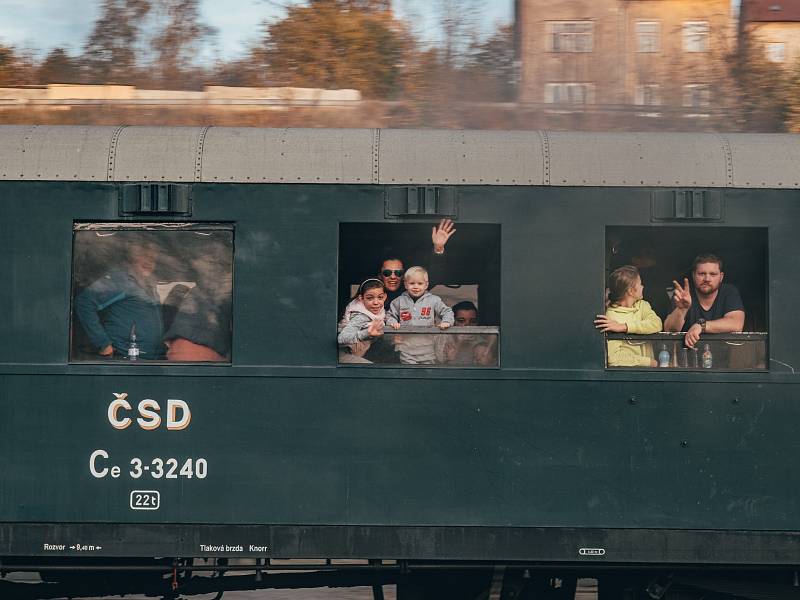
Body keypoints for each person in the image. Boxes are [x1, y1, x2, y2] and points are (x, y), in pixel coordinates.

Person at [75, 240, 165, 359]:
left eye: (153, 259)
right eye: (145, 256)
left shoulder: (150, 287)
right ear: (133, 257)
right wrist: (103, 344)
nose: (149, 262)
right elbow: (84, 302)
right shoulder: (120, 280)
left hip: (149, 361)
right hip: (125, 359)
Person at [664, 254, 745, 349]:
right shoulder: (684, 295)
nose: (707, 279)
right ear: (693, 275)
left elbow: (736, 323)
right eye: (702, 274)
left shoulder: (729, 292)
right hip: (687, 356)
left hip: (722, 355)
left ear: (721, 277)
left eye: (713, 274)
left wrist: (701, 326)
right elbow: (669, 330)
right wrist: (682, 309)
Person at [594, 265, 662, 367]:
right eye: (640, 284)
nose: (643, 286)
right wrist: (648, 362)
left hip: (649, 375)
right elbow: (613, 359)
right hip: (628, 376)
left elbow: (657, 324)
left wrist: (625, 327)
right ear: (631, 291)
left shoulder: (642, 306)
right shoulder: (611, 316)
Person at [378, 218, 456, 306]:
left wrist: (438, 248)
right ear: (380, 276)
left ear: (403, 276)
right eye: (387, 273)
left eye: (398, 273)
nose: (393, 276)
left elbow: (433, 277)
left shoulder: (412, 291)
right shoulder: (370, 291)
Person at [387, 266, 454, 364]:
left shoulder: (433, 300)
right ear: (405, 284)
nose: (416, 287)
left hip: (428, 349)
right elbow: (389, 315)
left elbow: (447, 312)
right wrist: (392, 322)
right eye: (412, 283)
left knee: (426, 375)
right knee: (409, 375)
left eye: (420, 283)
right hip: (406, 349)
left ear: (426, 285)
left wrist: (446, 322)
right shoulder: (399, 301)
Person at [337, 279, 387, 363]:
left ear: (385, 297)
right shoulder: (360, 315)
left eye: (380, 297)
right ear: (361, 298)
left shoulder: (378, 310)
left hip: (358, 353)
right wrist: (366, 333)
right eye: (370, 298)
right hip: (343, 354)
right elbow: (342, 338)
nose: (376, 302)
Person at [439, 301, 497, 366]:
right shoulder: (443, 340)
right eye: (461, 321)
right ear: (452, 322)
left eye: (473, 321)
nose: (467, 325)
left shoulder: (481, 344)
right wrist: (459, 344)